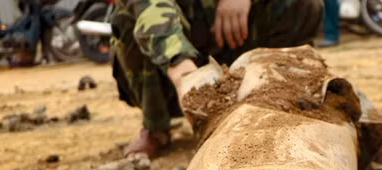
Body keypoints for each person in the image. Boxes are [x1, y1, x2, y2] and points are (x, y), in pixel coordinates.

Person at [112, 0, 323, 158]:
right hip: (177, 47)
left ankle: (281, 104)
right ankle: (155, 126)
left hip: (237, 35)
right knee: (130, 19)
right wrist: (179, 66)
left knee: (304, 4)